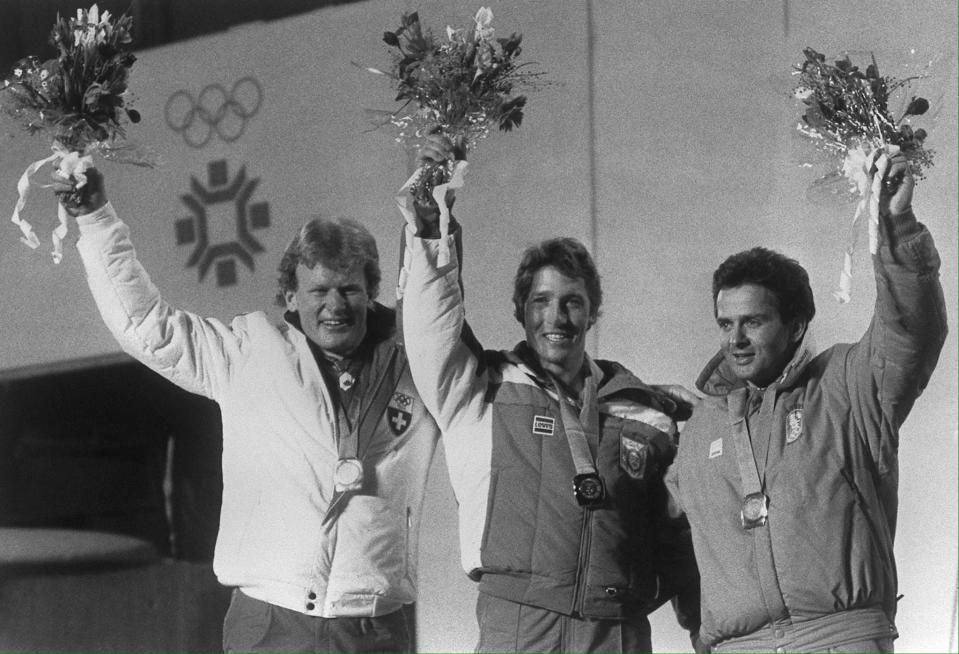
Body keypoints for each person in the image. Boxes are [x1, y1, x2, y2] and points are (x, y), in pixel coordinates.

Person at [51, 168, 442, 653]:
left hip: (373, 627)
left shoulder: (416, 367)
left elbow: (437, 306)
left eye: (349, 289)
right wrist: (95, 220)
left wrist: (435, 220)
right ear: (291, 297)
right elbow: (147, 325)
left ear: (371, 292)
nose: (335, 305)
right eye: (319, 291)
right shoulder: (249, 352)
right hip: (271, 622)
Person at [397, 139, 701, 653]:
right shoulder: (480, 391)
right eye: (541, 301)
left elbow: (680, 541)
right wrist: (432, 229)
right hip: (521, 628)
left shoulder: (646, 414)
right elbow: (430, 326)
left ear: (593, 313)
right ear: (520, 310)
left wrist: (707, 632)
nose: (556, 319)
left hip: (617, 632)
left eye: (572, 303)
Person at [665, 151, 947, 653]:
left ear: (796, 326)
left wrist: (896, 224)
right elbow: (675, 541)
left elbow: (912, 332)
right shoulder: (700, 428)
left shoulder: (847, 385)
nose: (736, 340)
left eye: (753, 321)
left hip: (839, 639)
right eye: (725, 324)